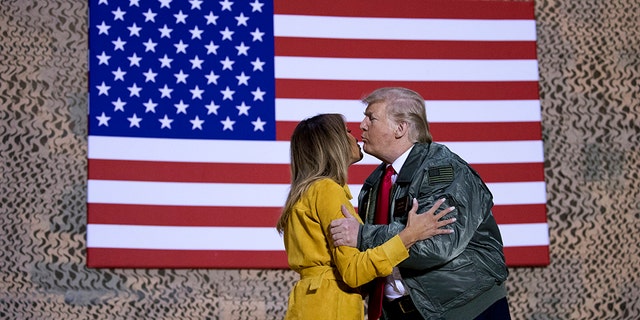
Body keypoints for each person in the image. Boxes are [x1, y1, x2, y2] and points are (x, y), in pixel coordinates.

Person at [329, 87, 511, 320]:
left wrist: (363, 235)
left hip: (462, 310)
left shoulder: (443, 171)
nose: (362, 125)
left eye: (371, 117)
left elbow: (437, 244)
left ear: (400, 128)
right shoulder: (374, 184)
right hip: (400, 312)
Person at [277, 113, 456, 320]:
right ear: (334, 143)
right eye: (347, 131)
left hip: (307, 305)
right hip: (330, 308)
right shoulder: (327, 190)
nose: (355, 136)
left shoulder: (306, 192)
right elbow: (353, 272)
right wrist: (409, 236)